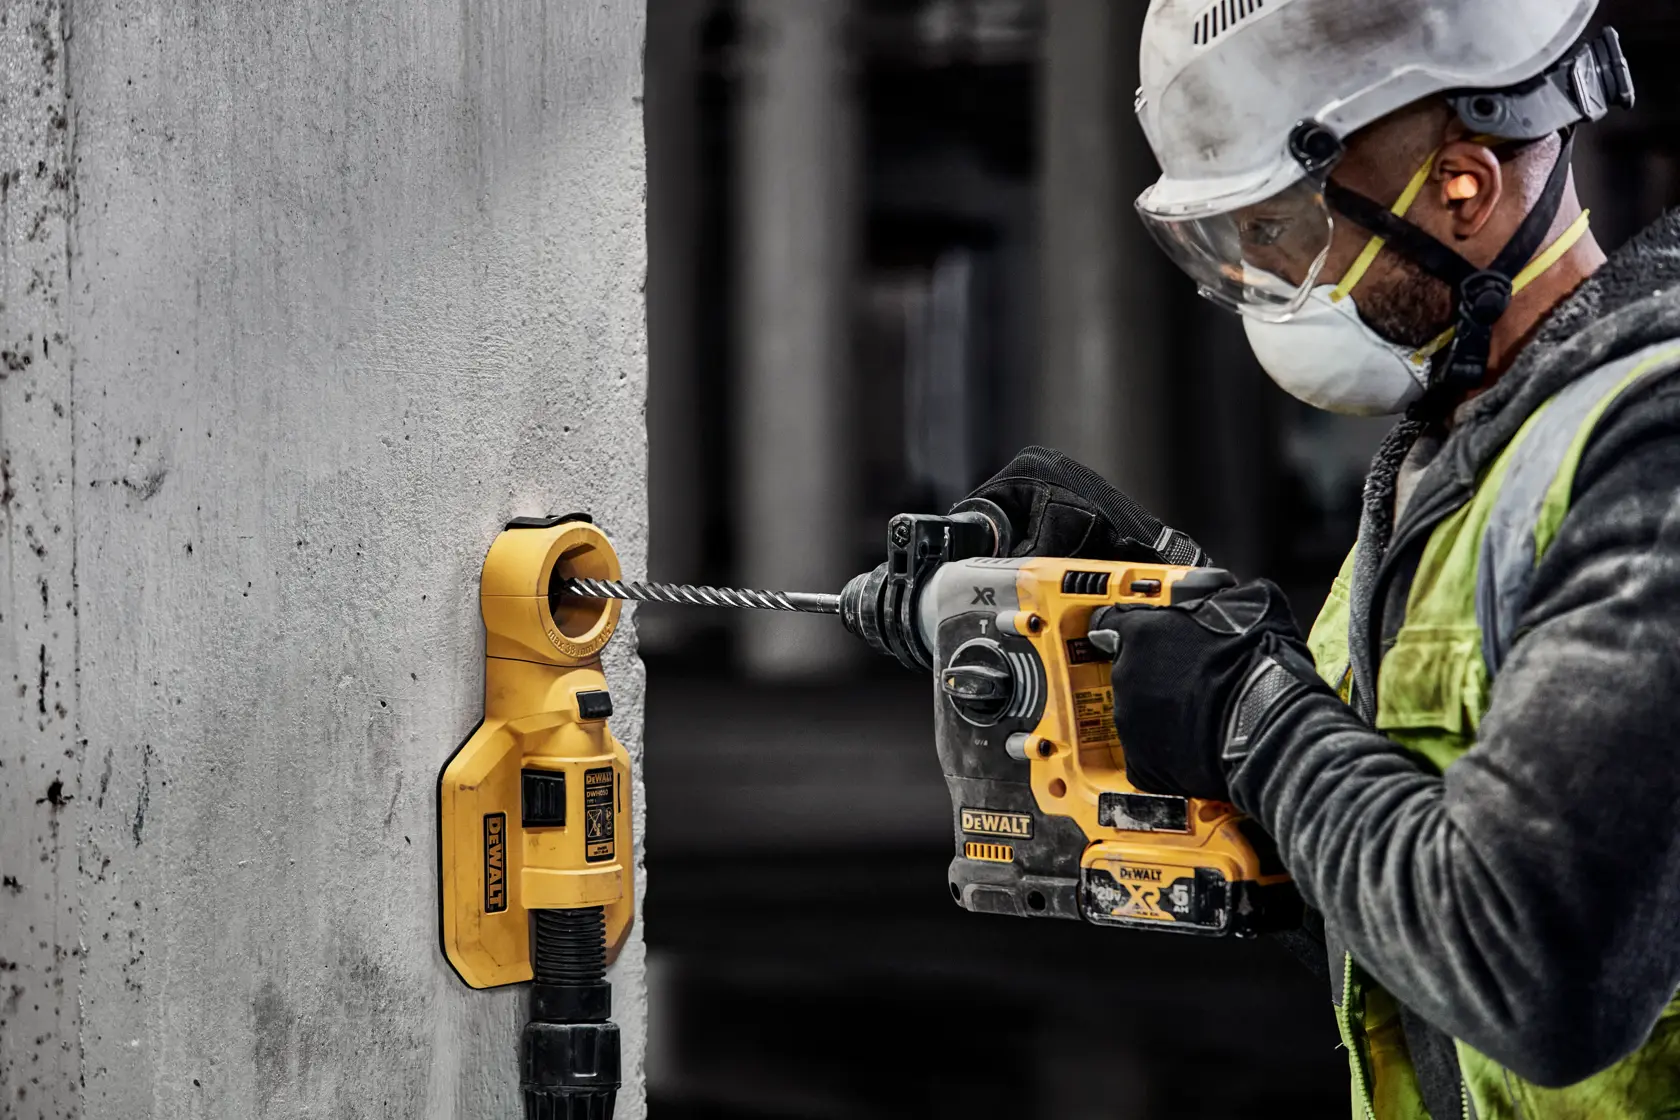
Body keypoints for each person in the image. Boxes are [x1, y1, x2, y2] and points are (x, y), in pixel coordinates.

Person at [956, 2, 1680, 1116]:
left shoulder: (1650, 456)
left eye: (1281, 225)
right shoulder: (1450, 459)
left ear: (1462, 188)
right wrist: (1150, 610)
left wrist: (1251, 710)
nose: (1261, 269)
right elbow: (1386, 908)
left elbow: (1541, 975)